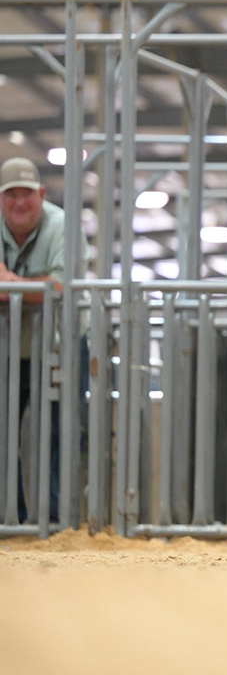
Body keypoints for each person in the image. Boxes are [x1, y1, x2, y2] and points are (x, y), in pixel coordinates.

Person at [0, 157, 88, 524]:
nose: (19, 203)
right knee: (5, 437)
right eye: (10, 195)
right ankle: (10, 521)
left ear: (41, 194)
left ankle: (56, 523)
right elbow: (48, 286)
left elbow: (60, 288)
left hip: (59, 347)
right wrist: (35, 287)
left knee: (58, 434)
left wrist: (9, 285)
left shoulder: (64, 226)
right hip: (7, 349)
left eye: (26, 194)